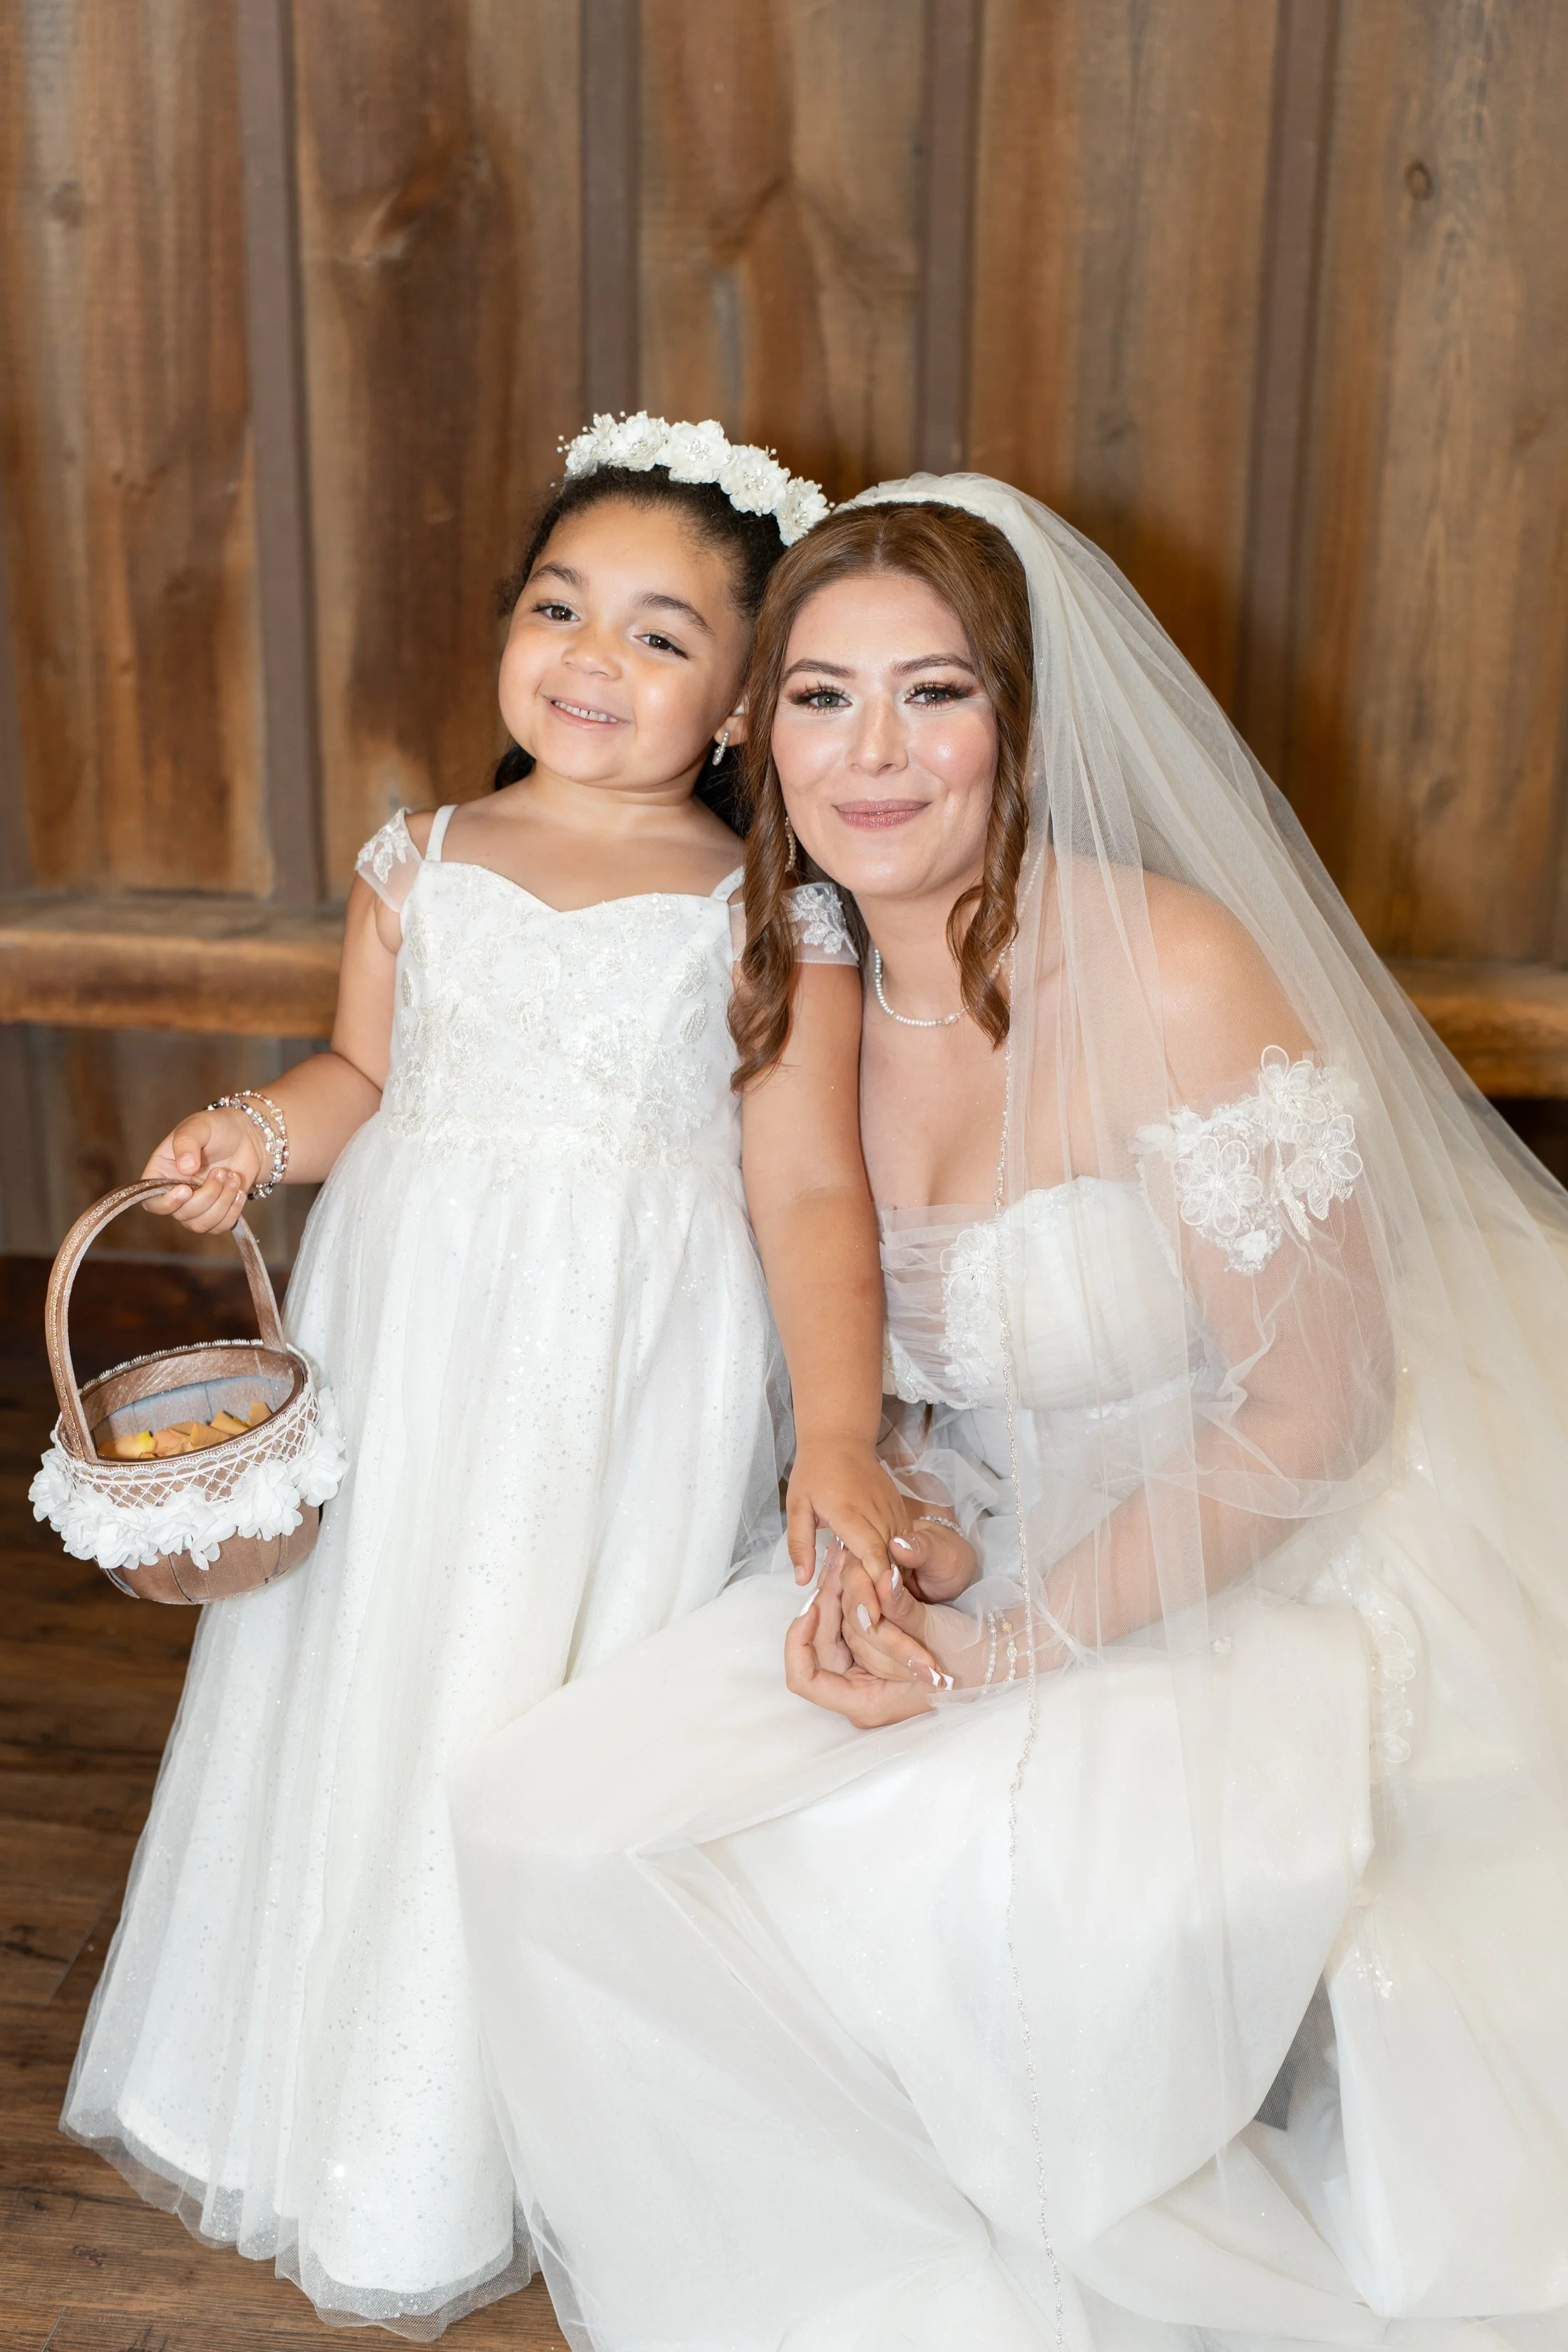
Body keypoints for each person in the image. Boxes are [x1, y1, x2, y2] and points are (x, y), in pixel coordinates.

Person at [451, 476, 1568, 2351]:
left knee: (1023, 1910)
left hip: (1265, 1549)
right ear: (757, 726)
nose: (872, 754)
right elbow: (826, 1262)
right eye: (820, 695)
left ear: (1020, 724)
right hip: (979, 1508)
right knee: (543, 1815)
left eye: (936, 695)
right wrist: (867, 1505)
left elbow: (1317, 1408)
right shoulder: (795, 968)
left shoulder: (1175, 972)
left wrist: (996, 1657)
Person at [61, 416, 909, 2338]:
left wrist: (838, 1425)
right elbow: (361, 1080)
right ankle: (315, 2081)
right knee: (370, 1689)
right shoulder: (422, 855)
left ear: (745, 698)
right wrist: (248, 1136)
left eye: (663, 632)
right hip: (417, 1337)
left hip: (625, 1379)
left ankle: (500, 2122)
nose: (594, 658)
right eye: (561, 606)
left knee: (541, 1703)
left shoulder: (766, 914)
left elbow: (805, 1179)